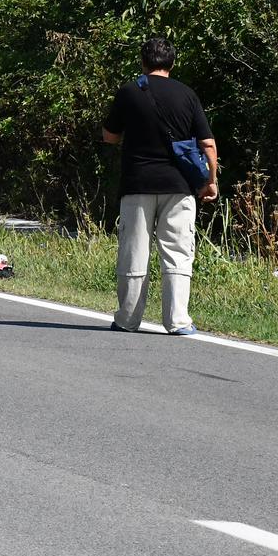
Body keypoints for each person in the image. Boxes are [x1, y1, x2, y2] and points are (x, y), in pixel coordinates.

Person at [101, 36, 218, 334]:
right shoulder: (187, 94)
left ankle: (128, 319)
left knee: (134, 251)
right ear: (172, 63)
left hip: (137, 183)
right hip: (179, 186)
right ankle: (177, 321)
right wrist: (210, 182)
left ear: (143, 62)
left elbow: (110, 137)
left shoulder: (128, 92)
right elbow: (208, 144)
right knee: (178, 252)